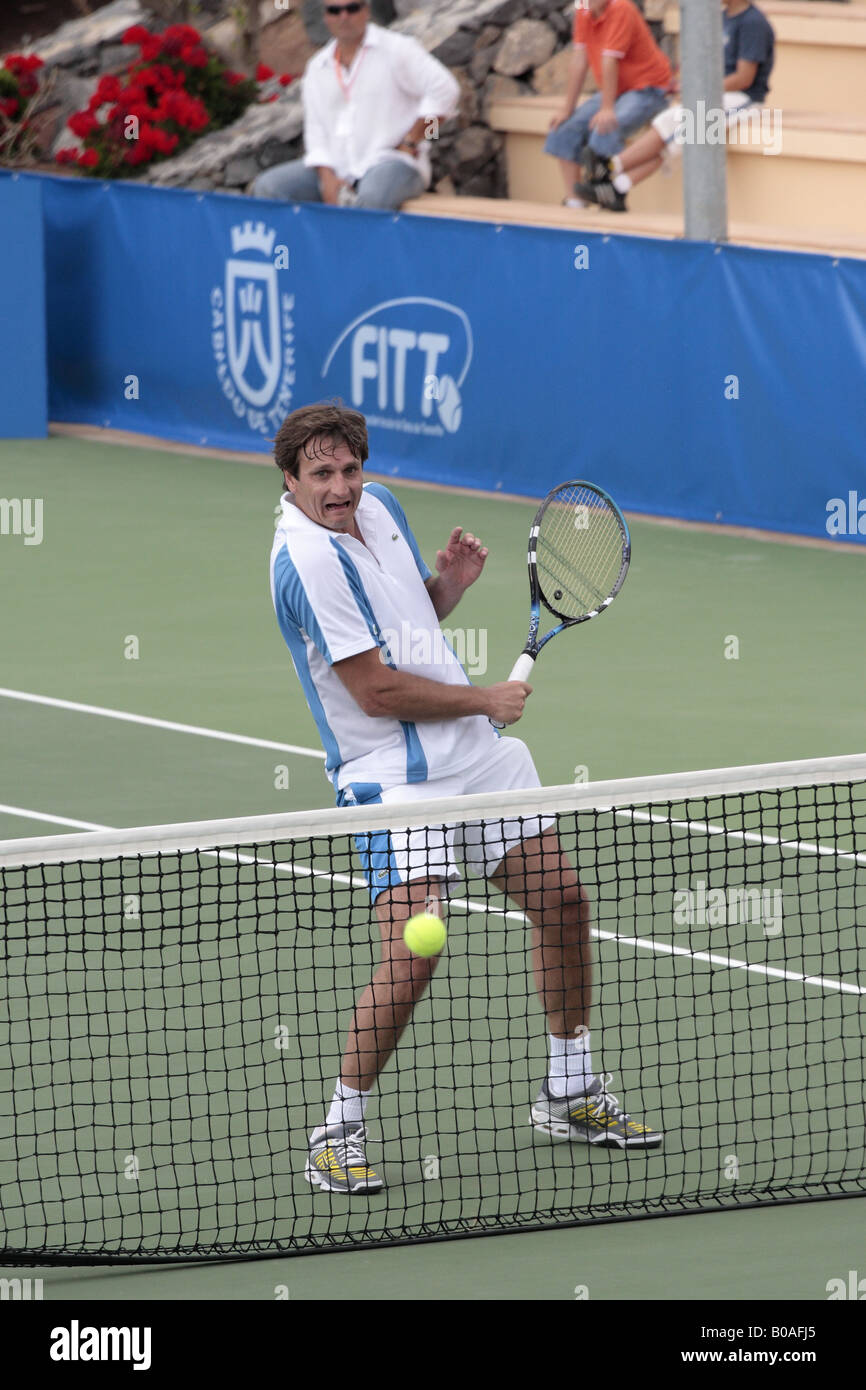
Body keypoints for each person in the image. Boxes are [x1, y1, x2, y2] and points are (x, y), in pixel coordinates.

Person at [269, 401, 662, 1194]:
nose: (341, 488)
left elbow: (403, 623)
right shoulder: (305, 561)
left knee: (563, 900)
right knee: (416, 953)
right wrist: (485, 699)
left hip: (474, 759)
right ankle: (336, 1130)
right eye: (322, 474)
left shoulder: (379, 509)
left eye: (349, 468)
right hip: (392, 775)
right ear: (290, 479)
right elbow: (376, 690)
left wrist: (442, 588)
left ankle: (570, 1088)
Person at [252, 1, 458, 210]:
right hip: (339, 168)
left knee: (370, 199)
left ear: (366, 10)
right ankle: (296, 245)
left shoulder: (396, 49)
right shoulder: (317, 67)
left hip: (391, 162)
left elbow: (446, 91)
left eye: (352, 8)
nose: (344, 16)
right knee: (268, 188)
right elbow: (316, 133)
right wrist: (327, 178)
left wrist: (415, 139)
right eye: (335, 10)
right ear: (326, 17)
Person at [576, 0, 775, 211]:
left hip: (743, 98)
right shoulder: (722, 18)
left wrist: (700, 89)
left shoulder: (753, 23)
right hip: (715, 92)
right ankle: (617, 187)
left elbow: (744, 78)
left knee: (683, 130)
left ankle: (610, 167)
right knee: (668, 122)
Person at [544, 0, 672, 209]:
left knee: (605, 126)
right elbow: (579, 60)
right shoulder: (583, 8)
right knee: (564, 128)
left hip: (648, 88)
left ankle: (608, 195)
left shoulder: (621, 8)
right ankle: (575, 201)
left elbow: (609, 60)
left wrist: (607, 108)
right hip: (618, 90)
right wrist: (567, 108)